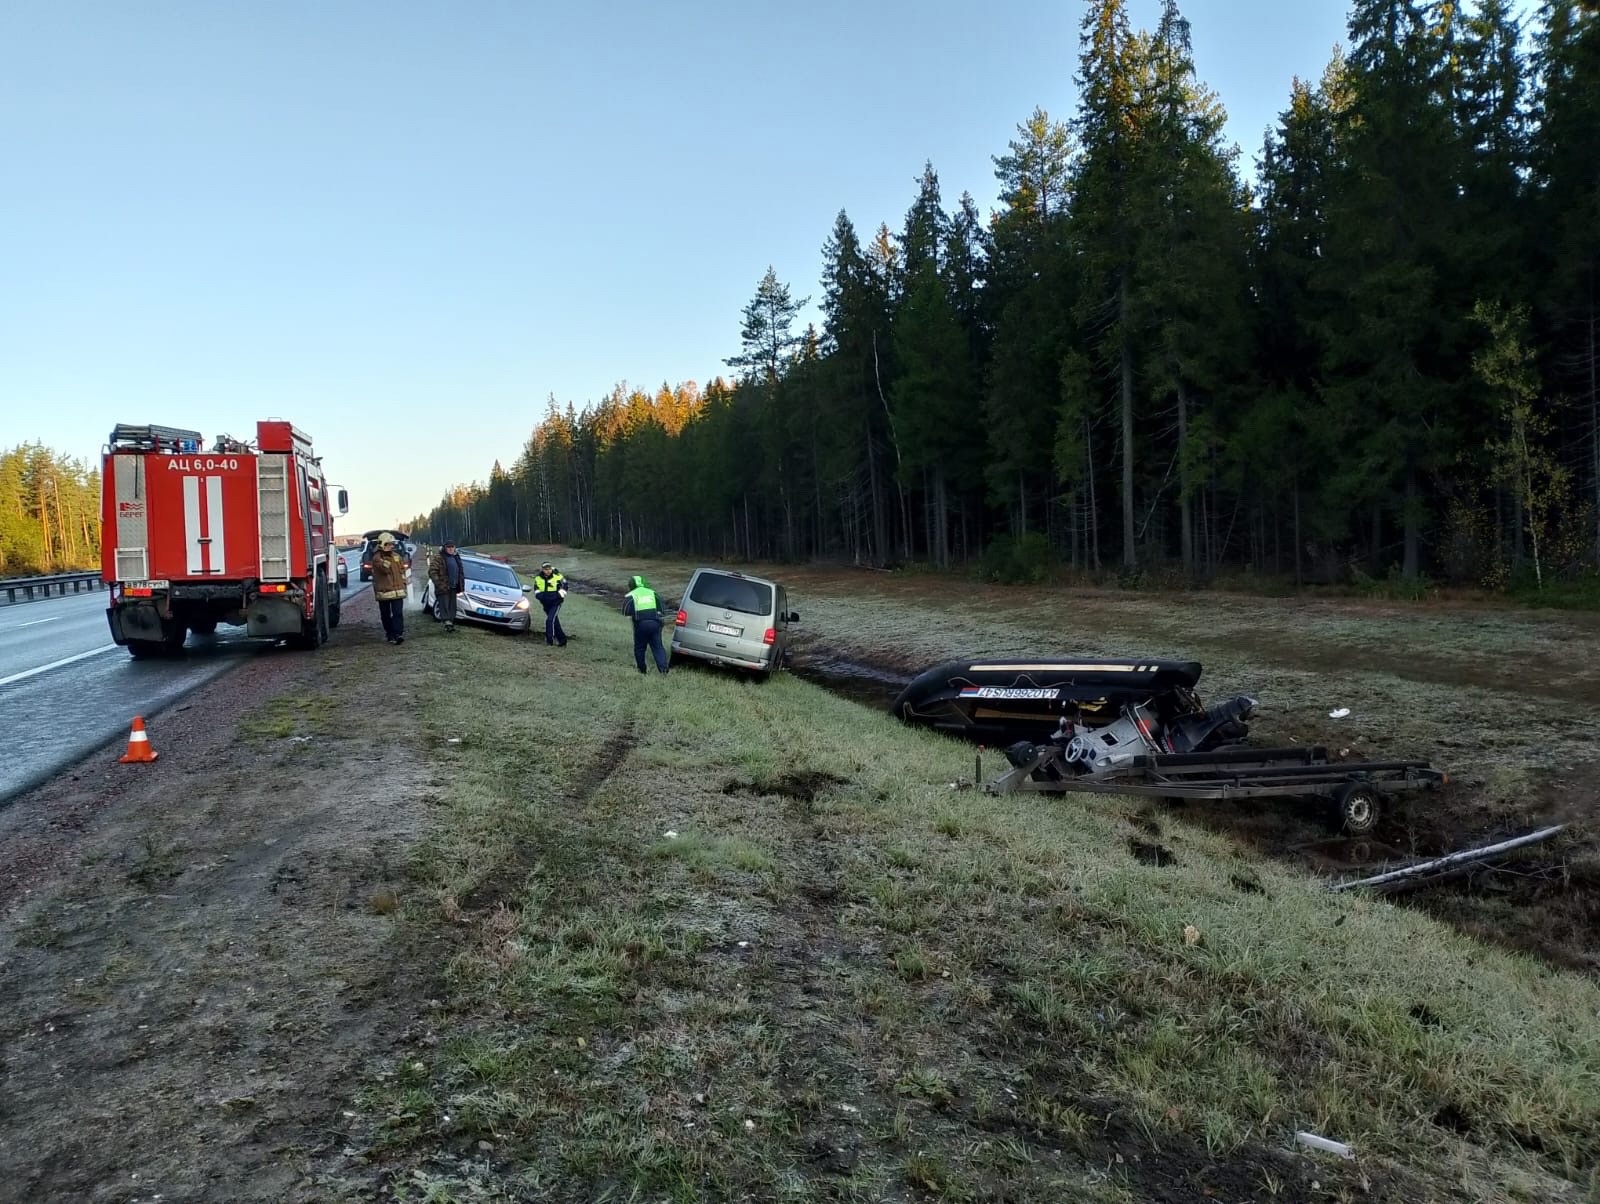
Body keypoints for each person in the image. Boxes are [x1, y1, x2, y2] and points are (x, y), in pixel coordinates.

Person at [622, 574, 669, 675]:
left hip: (641, 624)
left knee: (640, 648)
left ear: (631, 585)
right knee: (658, 647)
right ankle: (664, 670)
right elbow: (662, 609)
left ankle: (642, 670)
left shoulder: (631, 595)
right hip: (655, 623)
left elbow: (625, 611)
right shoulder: (653, 593)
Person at [371, 532, 409, 644]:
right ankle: (390, 634)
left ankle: (398, 634)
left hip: (398, 591)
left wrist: (403, 583)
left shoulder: (397, 556)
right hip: (384, 592)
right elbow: (384, 569)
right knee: (386, 615)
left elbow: (402, 570)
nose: (392, 546)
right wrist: (384, 555)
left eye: (392, 544)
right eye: (389, 544)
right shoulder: (377, 558)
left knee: (398, 613)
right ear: (383, 544)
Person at [429, 538, 466, 631]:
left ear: (455, 548)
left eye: (452, 547)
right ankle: (447, 623)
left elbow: (461, 572)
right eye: (448, 547)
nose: (450, 549)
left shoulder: (456, 557)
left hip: (454, 587)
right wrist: (439, 583)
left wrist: (460, 584)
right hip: (443, 587)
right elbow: (432, 571)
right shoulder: (439, 557)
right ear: (444, 548)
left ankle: (451, 622)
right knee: (444, 606)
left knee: (452, 607)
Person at [532, 560, 568, 646]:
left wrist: (558, 596)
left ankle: (549, 641)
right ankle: (562, 640)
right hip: (545, 604)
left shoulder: (558, 576)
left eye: (549, 568)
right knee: (554, 622)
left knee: (549, 620)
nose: (548, 570)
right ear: (542, 569)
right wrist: (541, 598)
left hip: (556, 603)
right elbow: (536, 590)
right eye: (545, 569)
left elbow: (565, 586)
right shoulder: (538, 578)